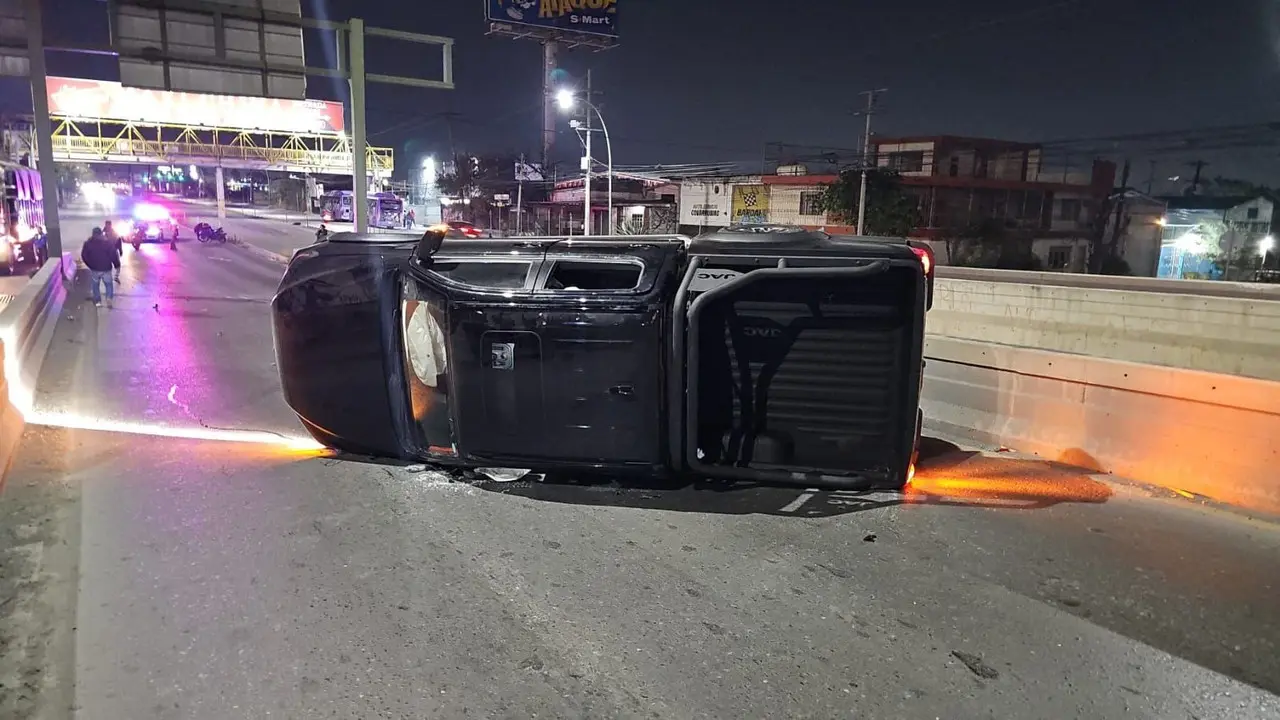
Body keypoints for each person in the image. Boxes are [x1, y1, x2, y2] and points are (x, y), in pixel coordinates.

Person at [81, 227, 120, 309]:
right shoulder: (107, 243)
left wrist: (90, 265)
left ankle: (98, 301)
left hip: (95, 268)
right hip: (106, 268)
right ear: (101, 234)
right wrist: (117, 265)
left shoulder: (88, 243)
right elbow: (113, 255)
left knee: (95, 285)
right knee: (108, 284)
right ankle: (108, 298)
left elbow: (84, 256)